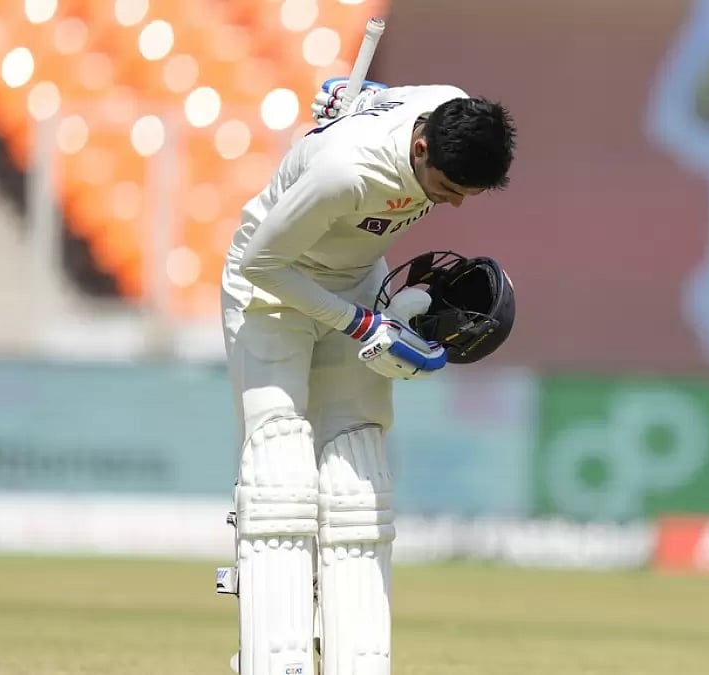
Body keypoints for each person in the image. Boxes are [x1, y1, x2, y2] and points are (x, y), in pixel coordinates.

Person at [217, 78, 517, 675]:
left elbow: (386, 95)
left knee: (359, 476)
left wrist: (361, 96)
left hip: (355, 281)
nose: (453, 204)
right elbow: (260, 263)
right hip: (272, 291)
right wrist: (359, 326)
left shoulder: (445, 102)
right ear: (423, 149)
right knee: (281, 470)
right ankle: (277, 659)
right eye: (448, 189)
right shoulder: (344, 172)